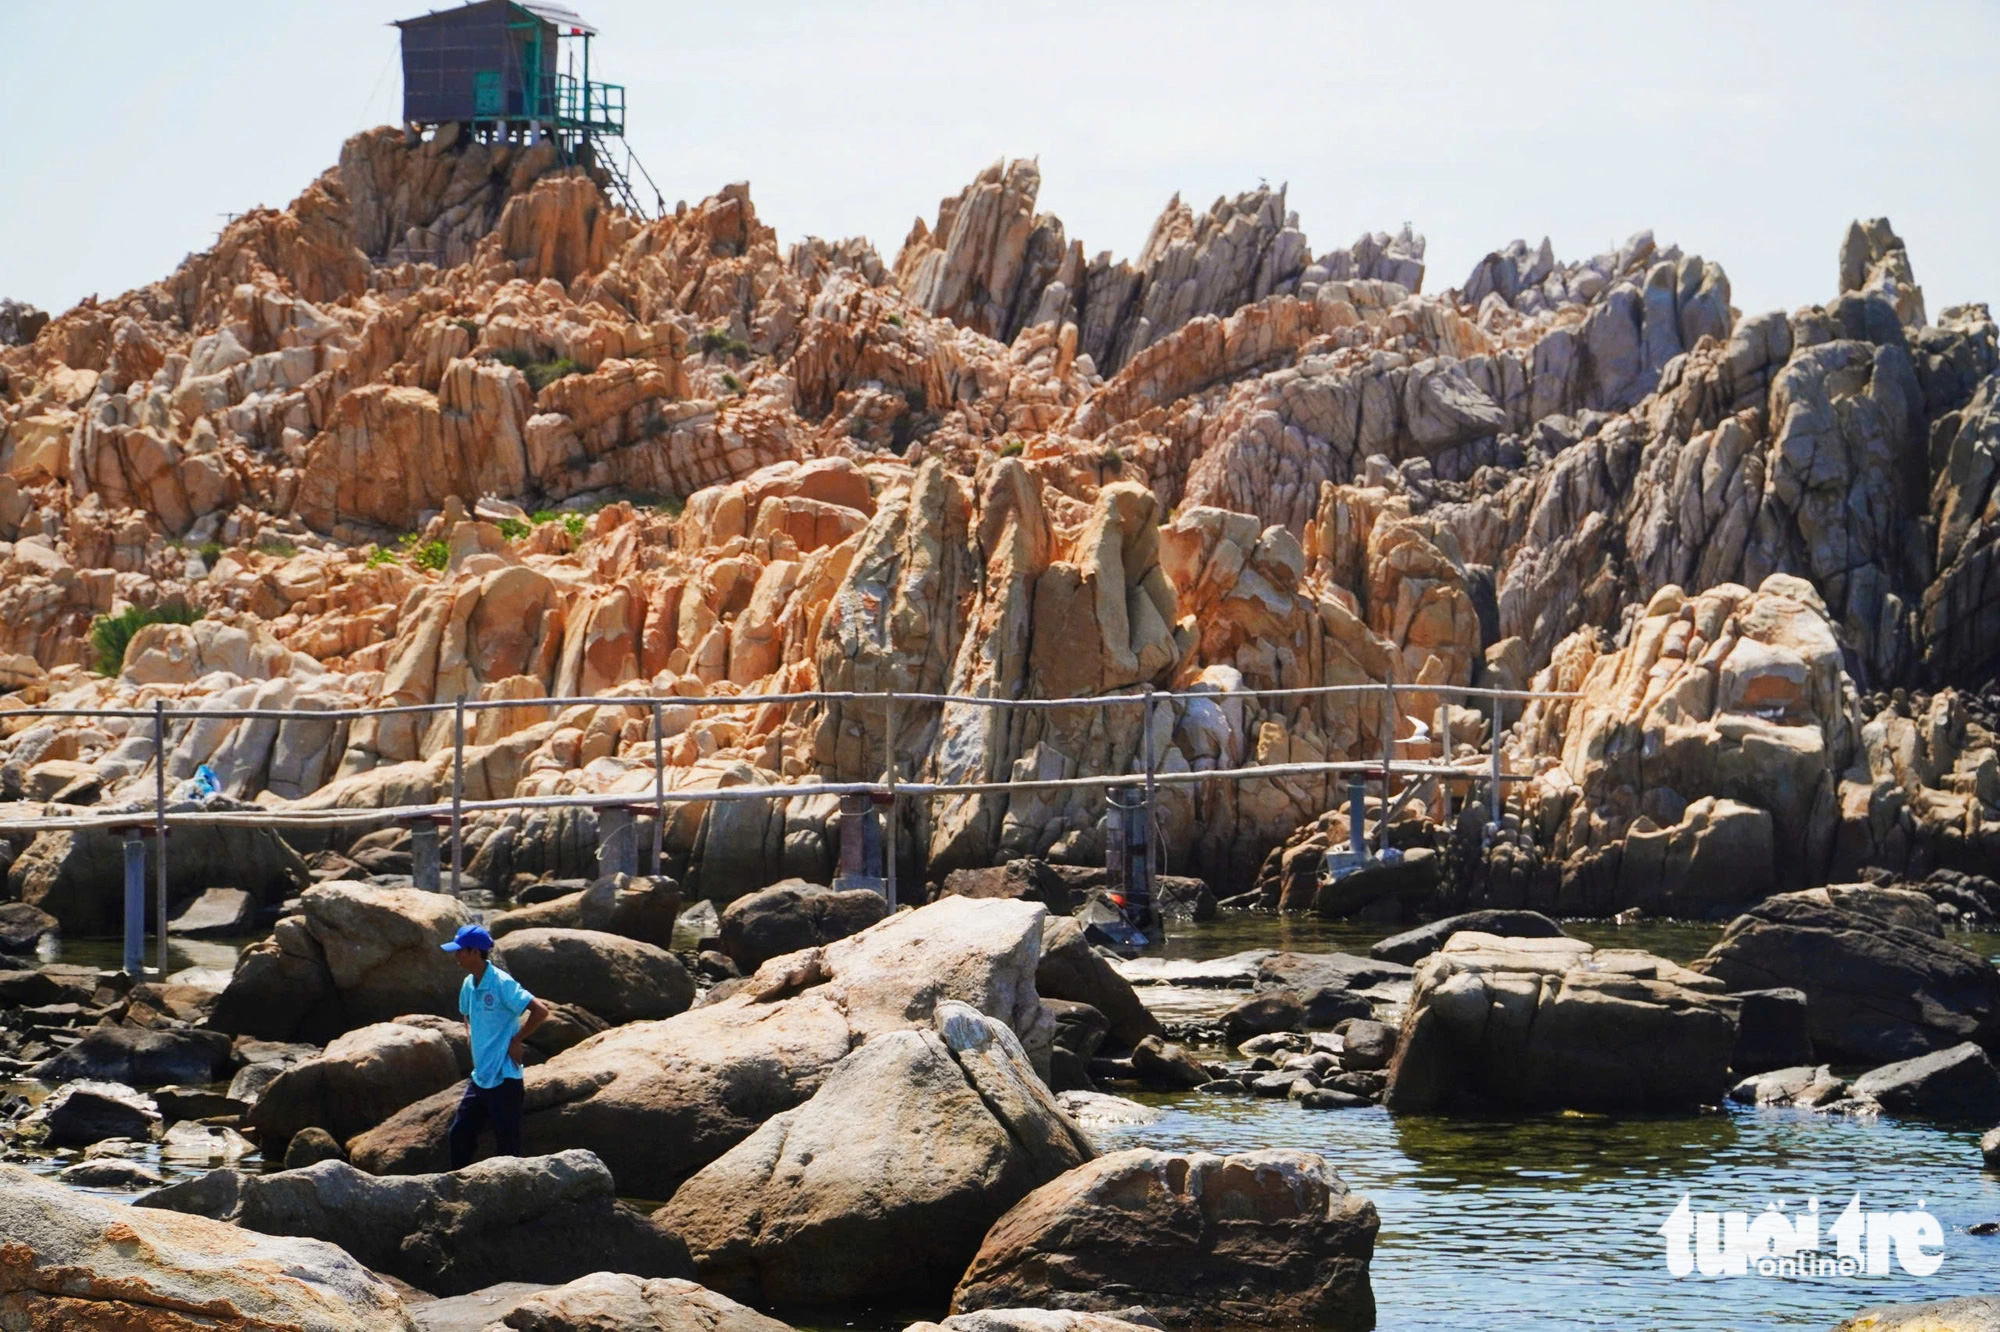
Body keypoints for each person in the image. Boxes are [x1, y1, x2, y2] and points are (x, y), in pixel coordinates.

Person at [440, 923, 549, 1168]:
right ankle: (457, 1188)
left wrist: (515, 1041)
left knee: (507, 1147)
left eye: (460, 951)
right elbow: (466, 1014)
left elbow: (540, 1011)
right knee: (459, 1135)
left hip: (505, 1078)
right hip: (480, 1078)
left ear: (475, 952)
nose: (456, 955)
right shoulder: (469, 983)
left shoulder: (501, 982)